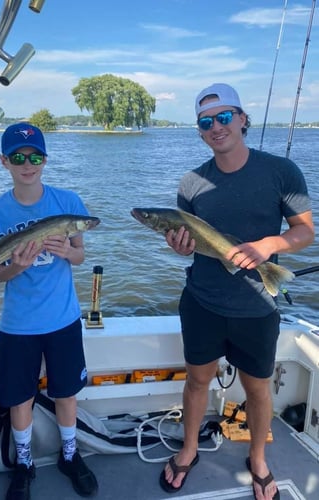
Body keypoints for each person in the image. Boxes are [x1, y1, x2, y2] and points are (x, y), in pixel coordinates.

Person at [159, 84, 315, 500]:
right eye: (206, 122)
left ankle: (259, 460)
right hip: (202, 302)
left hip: (257, 304)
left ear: (243, 119)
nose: (216, 127)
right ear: (200, 131)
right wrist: (179, 246)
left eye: (224, 117)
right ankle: (189, 450)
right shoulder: (192, 183)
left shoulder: (281, 171)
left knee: (258, 387)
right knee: (196, 381)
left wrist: (269, 246)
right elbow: (187, 238)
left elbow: (304, 232)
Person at [0, 122, 98, 499]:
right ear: (4, 162)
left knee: (66, 394)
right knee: (20, 397)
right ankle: (25, 464)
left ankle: (69, 454)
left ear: (45, 160)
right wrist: (18, 265)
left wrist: (68, 251)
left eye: (34, 157)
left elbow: (80, 255)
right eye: (18, 157)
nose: (27, 164)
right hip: (18, 325)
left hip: (63, 319)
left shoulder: (68, 202)